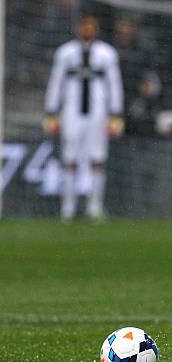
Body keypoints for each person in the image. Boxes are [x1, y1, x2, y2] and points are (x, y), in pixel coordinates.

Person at [44, 14, 124, 221]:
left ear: (96, 28)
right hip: (71, 111)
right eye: (84, 25)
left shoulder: (106, 53)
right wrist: (51, 110)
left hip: (98, 112)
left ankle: (94, 207)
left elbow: (114, 83)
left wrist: (116, 112)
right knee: (69, 158)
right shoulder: (66, 52)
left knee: (97, 159)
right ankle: (68, 208)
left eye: (91, 25)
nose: (87, 29)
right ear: (78, 28)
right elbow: (56, 81)